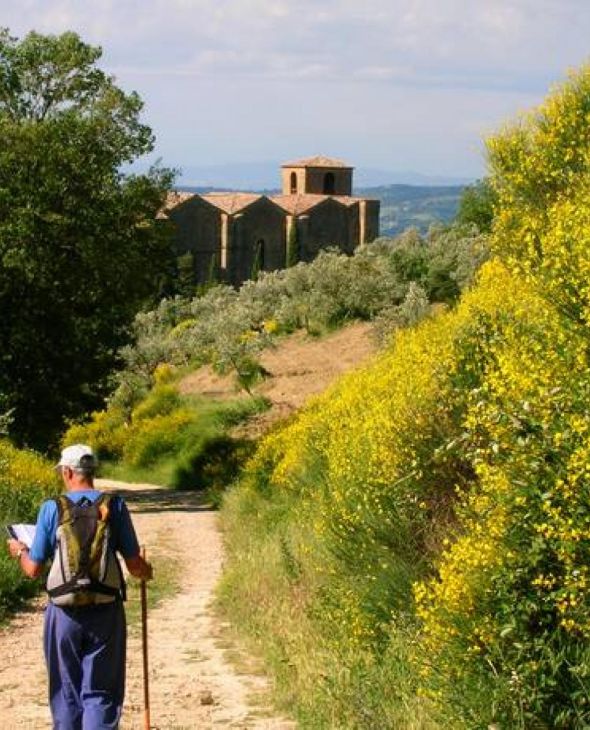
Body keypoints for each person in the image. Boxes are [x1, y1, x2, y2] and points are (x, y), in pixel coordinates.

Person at [6, 443, 152, 729]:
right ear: (92, 471)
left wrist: (20, 551)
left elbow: (33, 569)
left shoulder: (52, 508)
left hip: (63, 614)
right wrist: (147, 570)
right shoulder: (114, 506)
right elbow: (135, 567)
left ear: (68, 471)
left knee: (65, 694)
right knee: (101, 693)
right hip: (105, 611)